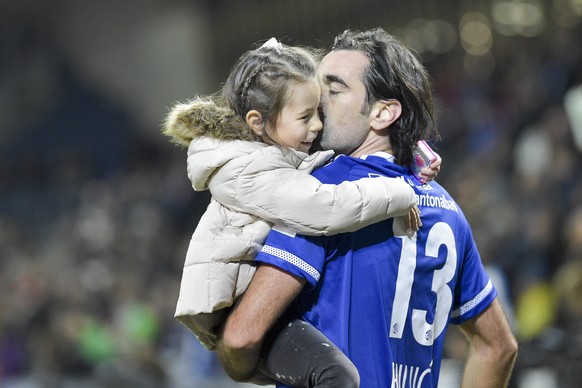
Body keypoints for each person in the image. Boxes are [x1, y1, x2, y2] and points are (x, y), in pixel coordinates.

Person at [217, 28, 518, 388]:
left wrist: (241, 364)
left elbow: (243, 335)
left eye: (334, 88)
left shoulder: (321, 194)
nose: (316, 99)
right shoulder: (447, 208)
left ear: (383, 113)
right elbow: (498, 347)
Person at [163, 37, 440, 386]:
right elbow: (326, 207)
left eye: (319, 111)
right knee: (336, 376)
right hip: (231, 309)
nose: (318, 126)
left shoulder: (270, 150)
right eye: (306, 115)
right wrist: (402, 191)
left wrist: (411, 152)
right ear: (257, 122)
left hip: (246, 308)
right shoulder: (252, 171)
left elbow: (325, 159)